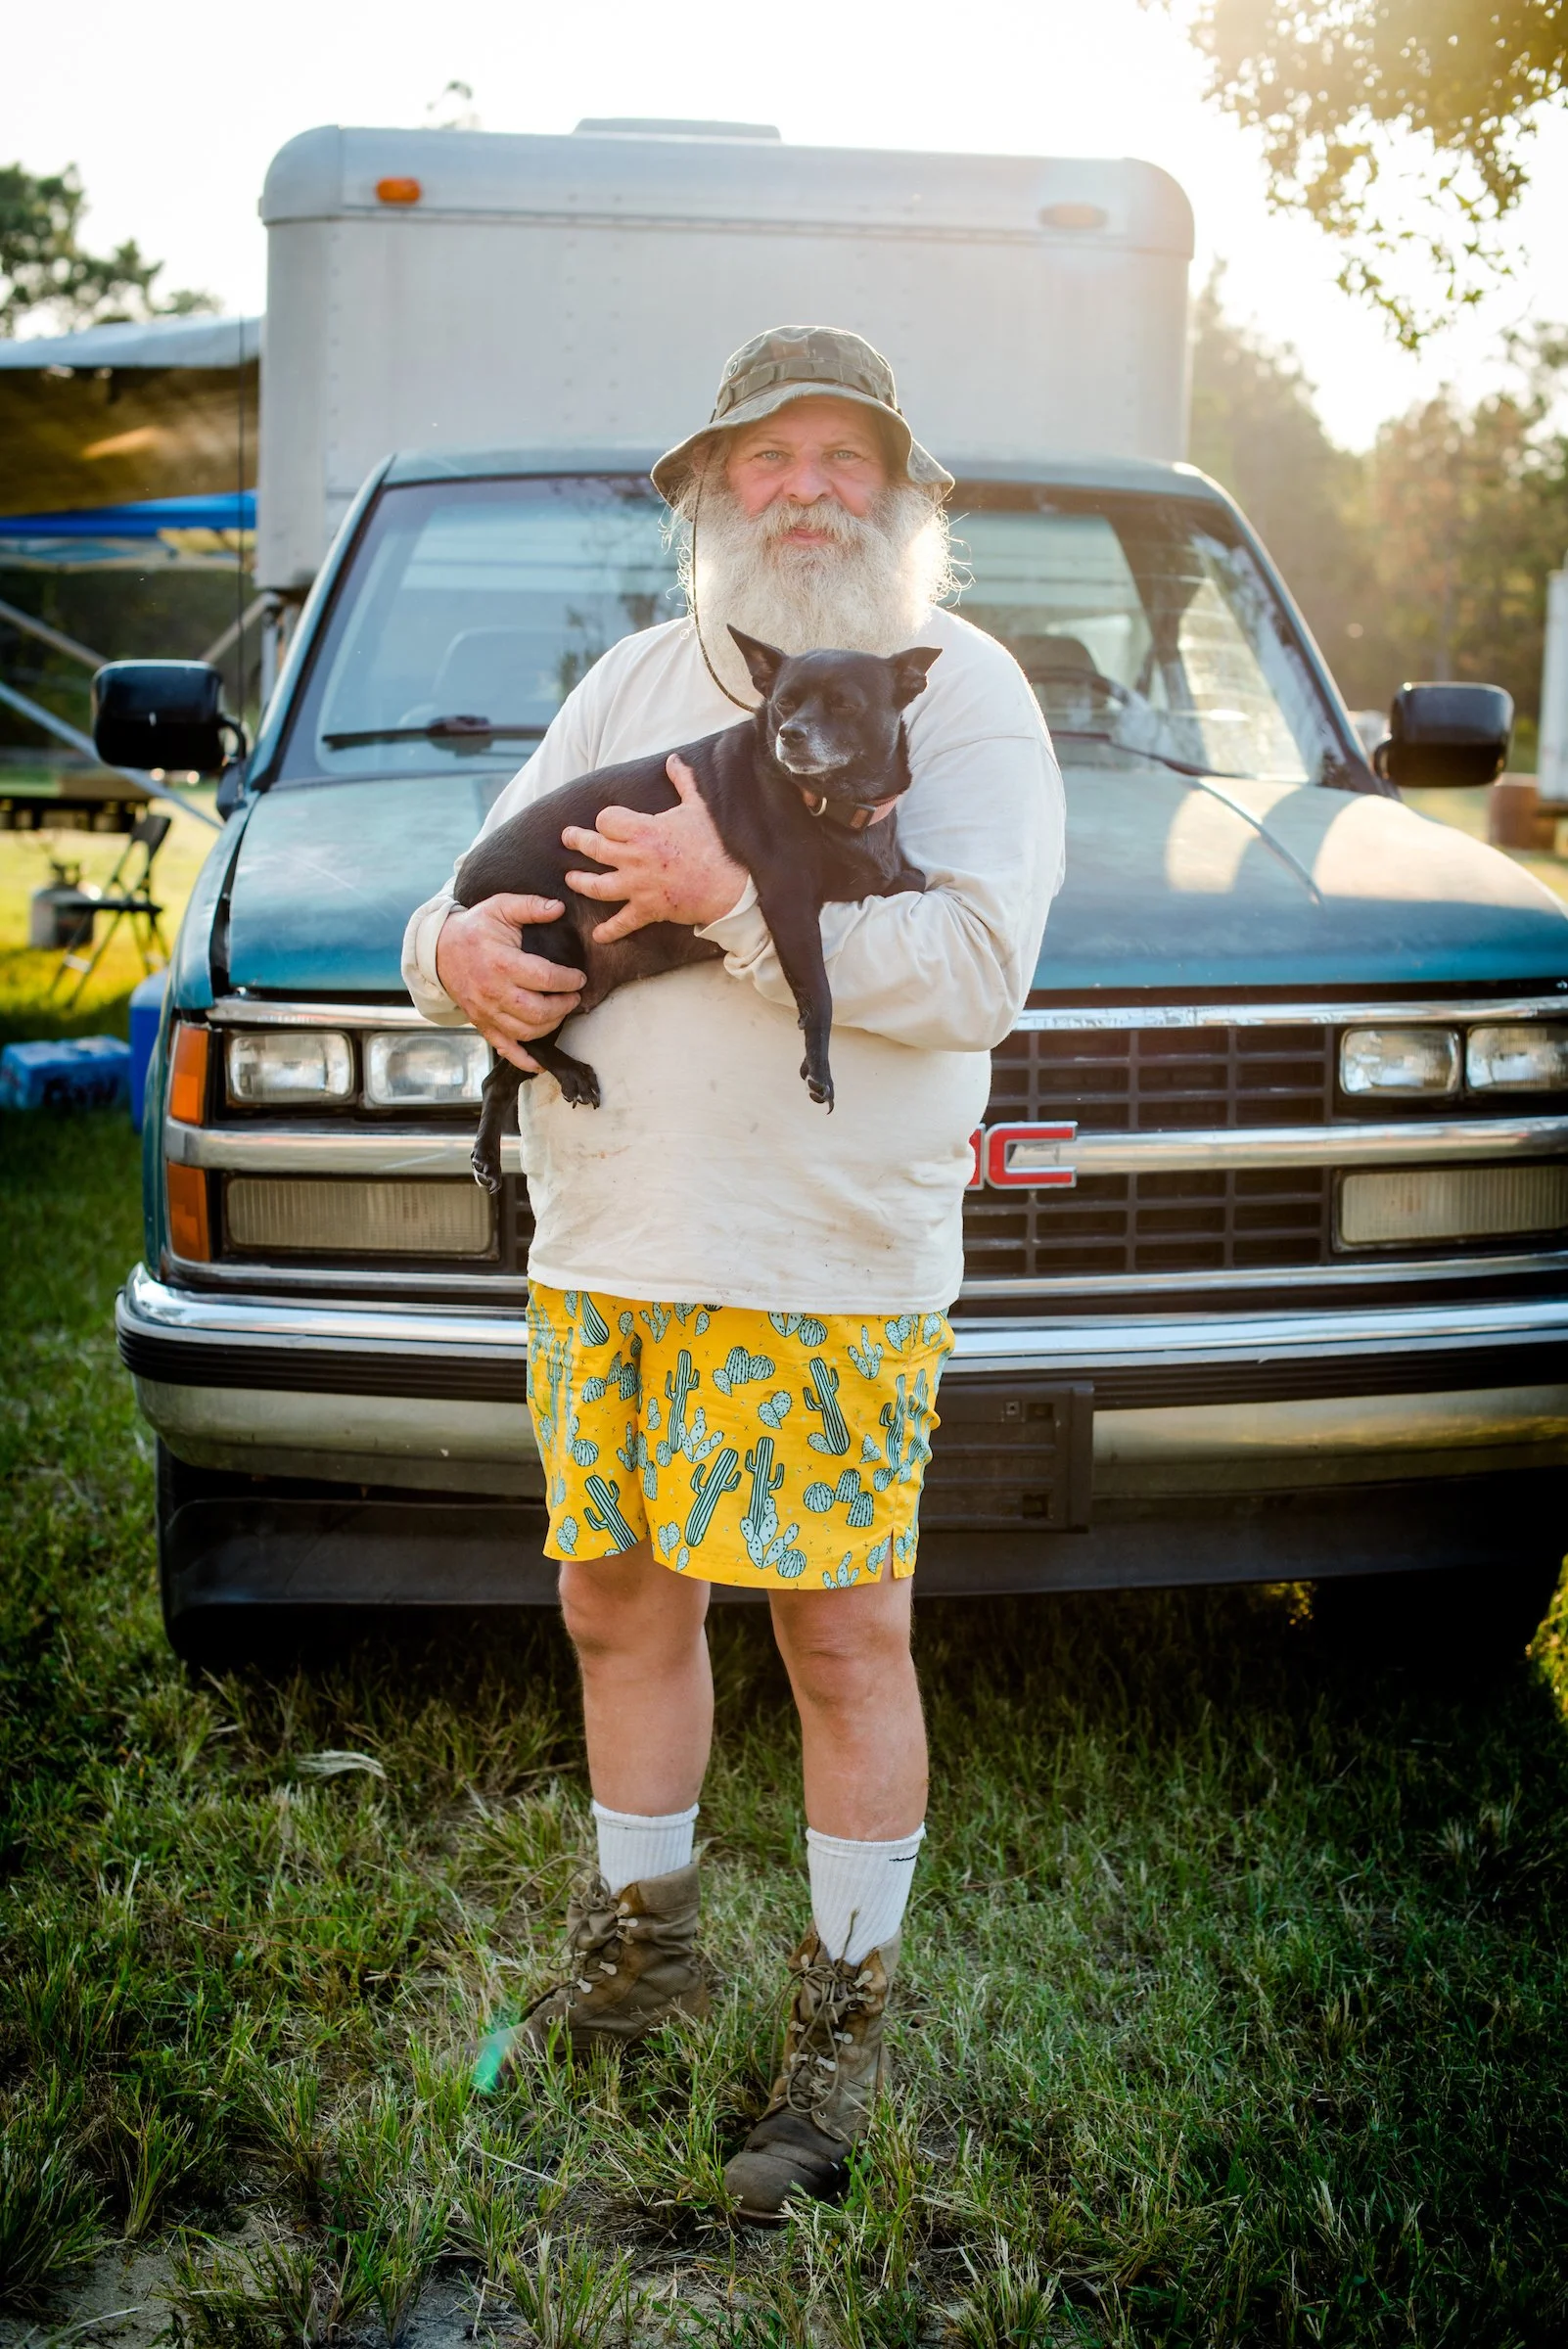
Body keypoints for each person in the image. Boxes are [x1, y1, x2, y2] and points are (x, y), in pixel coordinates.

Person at [402, 325, 1064, 2222]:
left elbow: (977, 970)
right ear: (707, 494)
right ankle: (643, 1960)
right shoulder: (627, 680)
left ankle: (842, 2029)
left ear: (904, 496)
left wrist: (728, 906)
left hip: (827, 1261)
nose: (804, 492)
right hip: (609, 1243)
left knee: (840, 1635)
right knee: (616, 1604)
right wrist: (448, 961)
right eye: (766, 459)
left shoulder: (963, 694)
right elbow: (451, 897)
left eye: (844, 458)